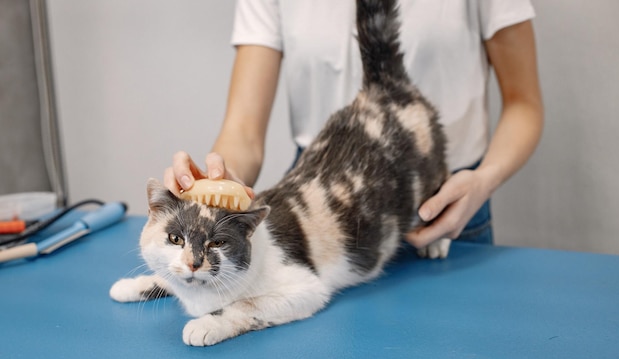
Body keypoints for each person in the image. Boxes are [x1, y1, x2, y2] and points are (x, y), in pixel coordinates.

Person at [164, 0, 543, 249]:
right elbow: (244, 132)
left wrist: (486, 179)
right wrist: (216, 181)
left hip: (448, 205)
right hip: (322, 214)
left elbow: (524, 103)